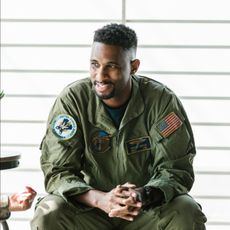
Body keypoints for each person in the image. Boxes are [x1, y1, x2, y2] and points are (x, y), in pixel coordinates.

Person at [31, 23, 207, 229]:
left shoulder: (161, 101)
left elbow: (176, 169)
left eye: (111, 66)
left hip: (145, 213)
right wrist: (100, 199)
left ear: (134, 66)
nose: (100, 75)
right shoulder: (73, 100)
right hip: (90, 211)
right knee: (49, 211)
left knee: (186, 209)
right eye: (95, 64)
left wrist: (141, 195)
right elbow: (58, 171)